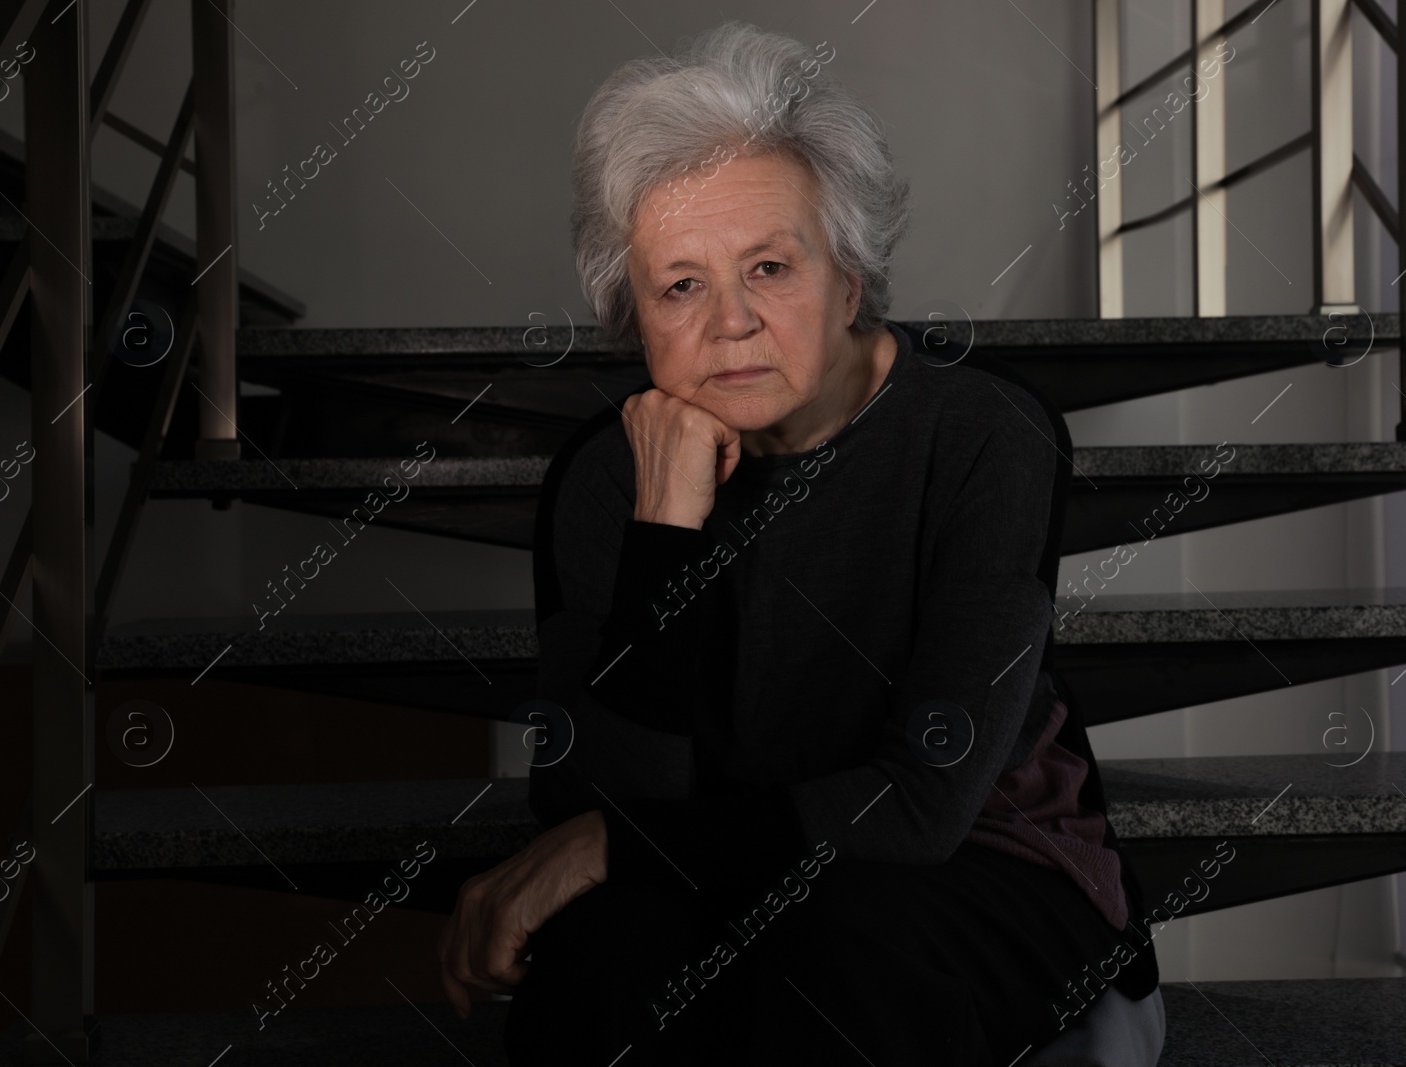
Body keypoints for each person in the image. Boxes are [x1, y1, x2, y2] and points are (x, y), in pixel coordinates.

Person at [437, 20, 1160, 1066]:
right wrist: (665, 528)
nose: (729, 321)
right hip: (702, 850)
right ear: (631, 314)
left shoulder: (979, 437)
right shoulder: (609, 474)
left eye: (770, 266)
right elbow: (606, 794)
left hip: (978, 861)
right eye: (680, 284)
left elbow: (921, 803)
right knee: (597, 964)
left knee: (832, 959)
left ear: (850, 277)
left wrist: (611, 844)